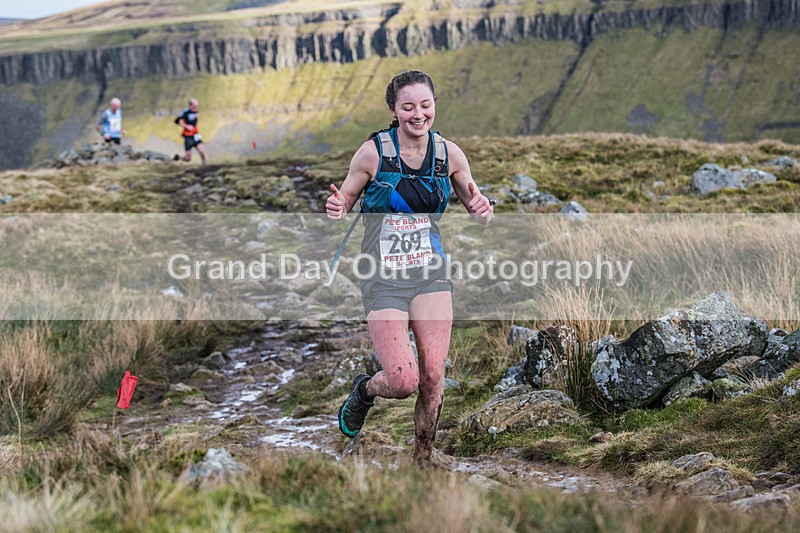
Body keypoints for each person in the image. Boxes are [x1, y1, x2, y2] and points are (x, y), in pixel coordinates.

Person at [325, 70, 493, 466]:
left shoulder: (449, 154)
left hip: (430, 274)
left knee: (433, 376)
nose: (418, 114)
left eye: (425, 105)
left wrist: (482, 210)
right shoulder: (373, 153)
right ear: (394, 110)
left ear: (434, 105)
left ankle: (422, 461)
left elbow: (474, 203)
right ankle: (365, 390)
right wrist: (336, 207)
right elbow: (344, 200)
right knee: (403, 381)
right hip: (382, 279)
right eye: (408, 107)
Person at [173, 99, 207, 164]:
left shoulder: (196, 111)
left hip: (196, 135)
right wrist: (186, 126)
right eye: (194, 106)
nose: (196, 108)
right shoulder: (185, 112)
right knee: (188, 158)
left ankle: (205, 165)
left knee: (202, 151)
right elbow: (176, 121)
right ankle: (178, 158)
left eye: (197, 106)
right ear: (190, 106)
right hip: (188, 136)